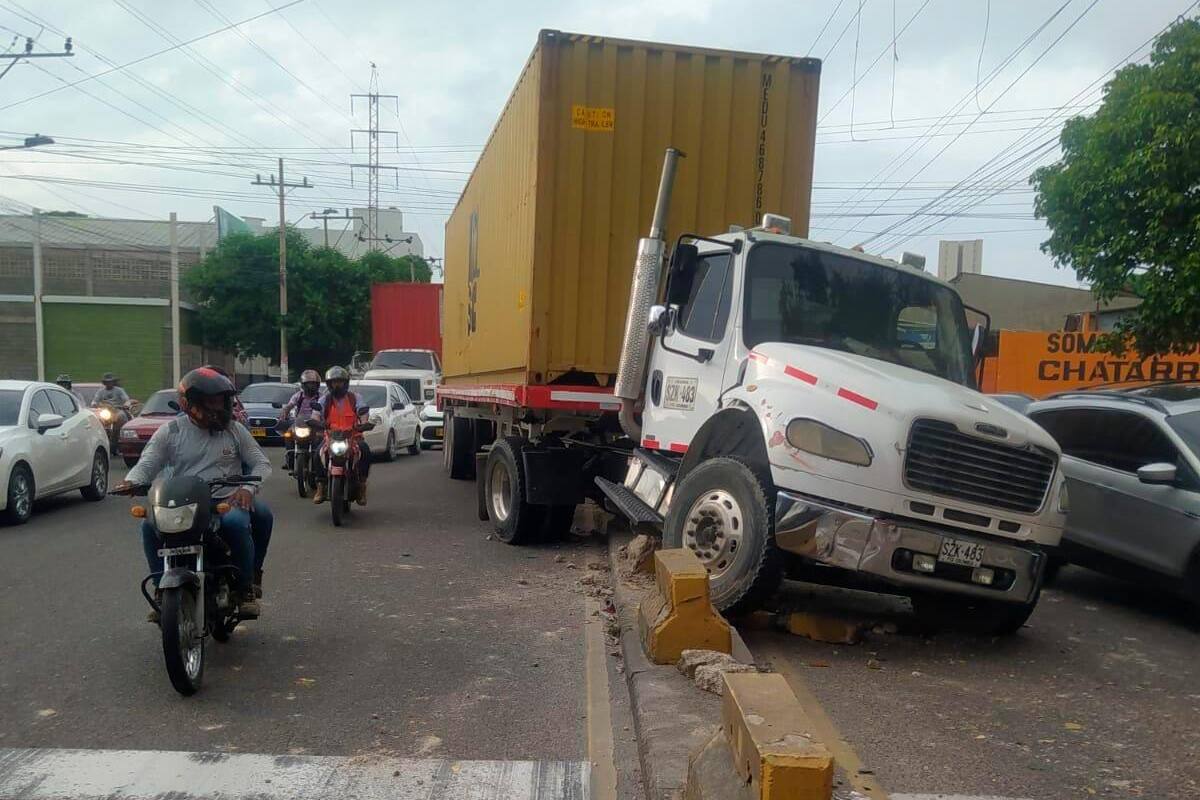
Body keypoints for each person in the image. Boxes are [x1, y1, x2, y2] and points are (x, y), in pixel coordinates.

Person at [115, 368, 273, 620]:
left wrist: (247, 489)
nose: (218, 409)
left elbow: (262, 464)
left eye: (221, 402)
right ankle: (160, 589)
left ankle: (245, 589)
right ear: (189, 404)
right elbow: (148, 463)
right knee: (148, 527)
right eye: (210, 403)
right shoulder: (171, 431)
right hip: (183, 501)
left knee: (236, 523)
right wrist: (132, 481)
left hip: (226, 499)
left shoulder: (235, 430)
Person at [311, 366, 371, 506]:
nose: (337, 385)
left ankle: (362, 486)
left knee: (365, 450)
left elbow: (363, 411)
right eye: (333, 382)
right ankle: (321, 486)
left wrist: (363, 422)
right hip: (331, 437)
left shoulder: (355, 397)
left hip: (353, 437)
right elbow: (316, 414)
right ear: (329, 384)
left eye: (340, 382)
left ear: (346, 383)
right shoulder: (324, 400)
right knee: (317, 453)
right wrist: (315, 422)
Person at [277, 369, 325, 472]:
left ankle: (319, 461)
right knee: (288, 435)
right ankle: (289, 458)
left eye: (313, 384)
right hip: (300, 422)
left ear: (318, 385)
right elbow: (289, 406)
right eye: (308, 384)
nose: (311, 387)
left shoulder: (322, 397)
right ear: (303, 385)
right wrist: (284, 414)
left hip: (315, 424)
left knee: (321, 439)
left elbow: (327, 409)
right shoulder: (298, 396)